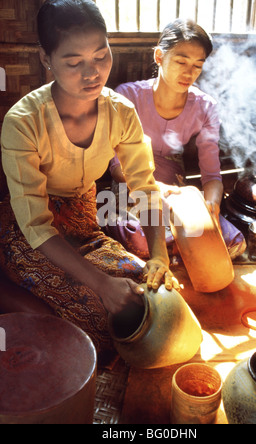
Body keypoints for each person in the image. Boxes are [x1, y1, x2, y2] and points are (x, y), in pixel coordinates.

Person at [0, 0, 178, 363]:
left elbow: (144, 187)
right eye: (73, 62)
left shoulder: (120, 113)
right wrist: (100, 284)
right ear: (46, 58)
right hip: (29, 234)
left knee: (151, 300)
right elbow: (35, 224)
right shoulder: (23, 122)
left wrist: (159, 254)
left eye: (101, 55)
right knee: (97, 318)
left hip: (83, 222)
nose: (92, 73)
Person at [109, 19, 246, 260]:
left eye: (197, 65)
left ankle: (176, 252)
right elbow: (117, 167)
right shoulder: (127, 97)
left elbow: (212, 176)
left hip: (176, 193)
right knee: (142, 242)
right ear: (159, 56)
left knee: (234, 241)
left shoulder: (206, 107)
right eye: (181, 61)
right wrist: (157, 190)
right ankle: (175, 252)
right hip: (131, 190)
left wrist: (211, 207)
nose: (189, 73)